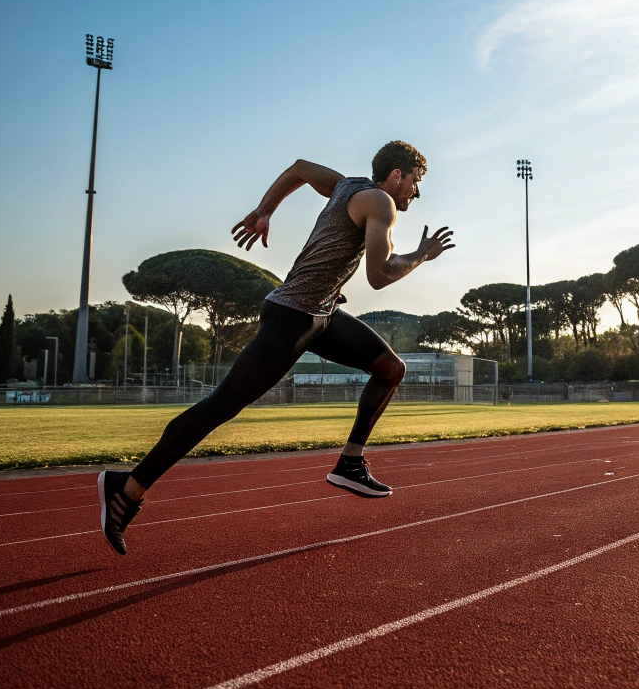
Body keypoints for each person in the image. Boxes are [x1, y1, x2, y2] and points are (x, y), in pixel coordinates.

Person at [98, 140, 454, 555]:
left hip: (320, 315)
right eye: (416, 181)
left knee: (390, 368)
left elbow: (300, 167)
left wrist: (266, 210)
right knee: (222, 404)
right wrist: (422, 256)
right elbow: (379, 274)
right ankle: (126, 488)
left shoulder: (345, 186)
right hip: (292, 317)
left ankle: (350, 463)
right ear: (398, 174)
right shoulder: (380, 203)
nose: (416, 191)